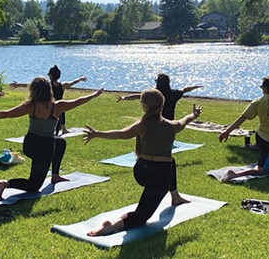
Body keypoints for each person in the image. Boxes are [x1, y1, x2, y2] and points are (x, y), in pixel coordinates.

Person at [82, 89, 202, 236]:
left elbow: (121, 134)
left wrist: (97, 134)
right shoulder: (172, 126)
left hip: (141, 171)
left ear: (144, 106)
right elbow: (185, 120)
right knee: (142, 216)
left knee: (172, 162)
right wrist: (194, 114)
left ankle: (175, 197)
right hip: (160, 175)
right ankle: (112, 226)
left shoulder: (142, 125)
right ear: (161, 106)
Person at [0, 77, 103, 199]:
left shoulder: (31, 106)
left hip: (30, 144)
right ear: (49, 90)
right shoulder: (57, 106)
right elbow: (78, 101)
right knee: (34, 186)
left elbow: (7, 113)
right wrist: (94, 94)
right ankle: (5, 183)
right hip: (44, 148)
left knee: (60, 142)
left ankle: (55, 175)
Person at [10, 65, 87, 134]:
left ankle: (62, 129)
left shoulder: (47, 85)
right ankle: (63, 129)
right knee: (61, 113)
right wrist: (80, 79)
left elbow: (32, 85)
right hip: (59, 106)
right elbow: (73, 82)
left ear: (50, 76)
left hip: (49, 105)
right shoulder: (62, 85)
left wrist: (18, 85)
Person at [116, 73, 203, 120]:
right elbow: (184, 90)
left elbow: (138, 96)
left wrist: (124, 98)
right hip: (169, 120)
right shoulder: (174, 94)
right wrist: (194, 87)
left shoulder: (155, 94)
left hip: (155, 119)